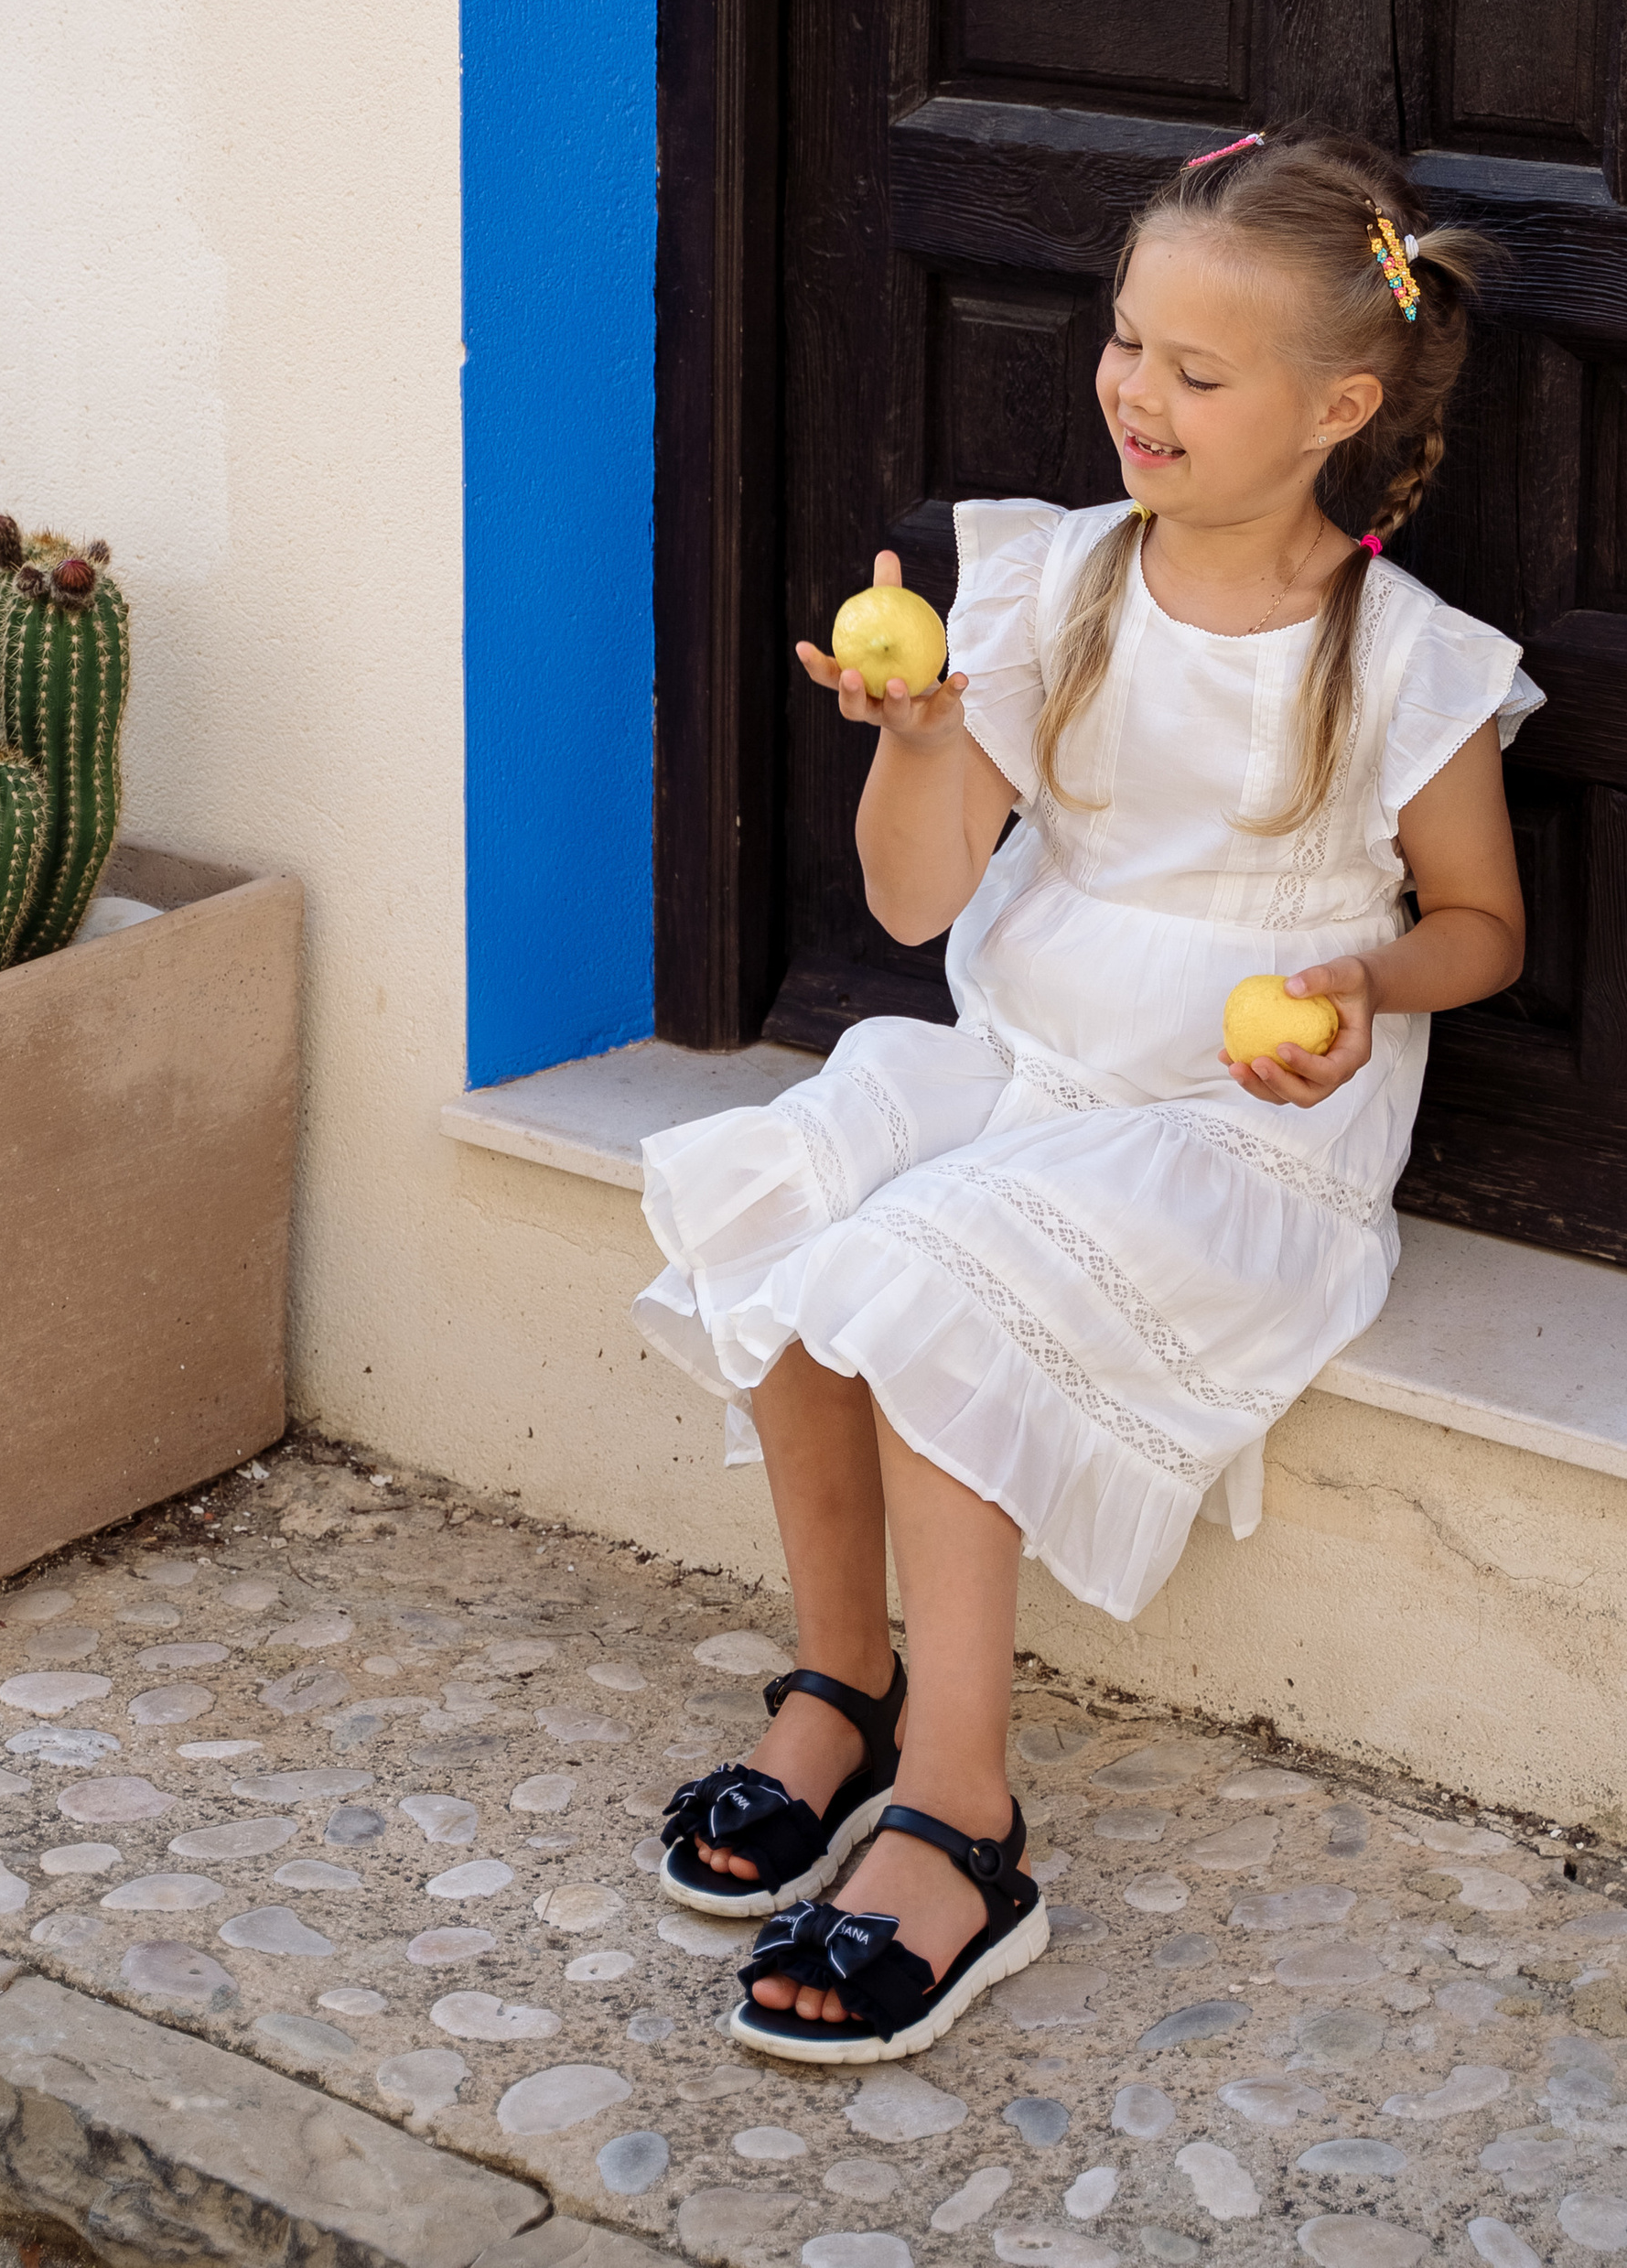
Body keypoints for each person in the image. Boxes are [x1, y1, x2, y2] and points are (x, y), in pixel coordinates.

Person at [631, 128, 1543, 2068]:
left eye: (1194, 373)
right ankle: (843, 1671)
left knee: (933, 1276)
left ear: (1336, 406)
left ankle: (963, 1819)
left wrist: (1356, 981)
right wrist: (924, 735)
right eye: (1128, 342)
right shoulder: (1048, 581)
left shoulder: (1400, 661)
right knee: (792, 1194)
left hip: (1229, 1131)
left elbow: (1475, 927)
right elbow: (909, 899)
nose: (1135, 389)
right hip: (1024, 1063)